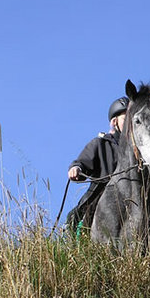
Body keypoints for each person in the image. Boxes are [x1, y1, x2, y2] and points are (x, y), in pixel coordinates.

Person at [65, 96, 129, 232]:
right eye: (126, 118)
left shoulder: (139, 150)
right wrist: (76, 168)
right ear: (114, 121)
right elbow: (82, 162)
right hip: (101, 194)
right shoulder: (100, 144)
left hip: (133, 198)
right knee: (73, 219)